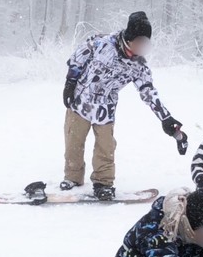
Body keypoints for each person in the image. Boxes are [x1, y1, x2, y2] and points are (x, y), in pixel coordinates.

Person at [61, 11, 187, 201]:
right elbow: (77, 59)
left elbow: (148, 91)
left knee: (106, 147)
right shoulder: (101, 43)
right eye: (140, 42)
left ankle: (103, 182)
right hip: (80, 101)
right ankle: (72, 177)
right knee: (74, 142)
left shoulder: (138, 66)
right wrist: (70, 84)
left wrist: (166, 119)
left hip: (105, 108)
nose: (142, 47)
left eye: (146, 43)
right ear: (130, 38)